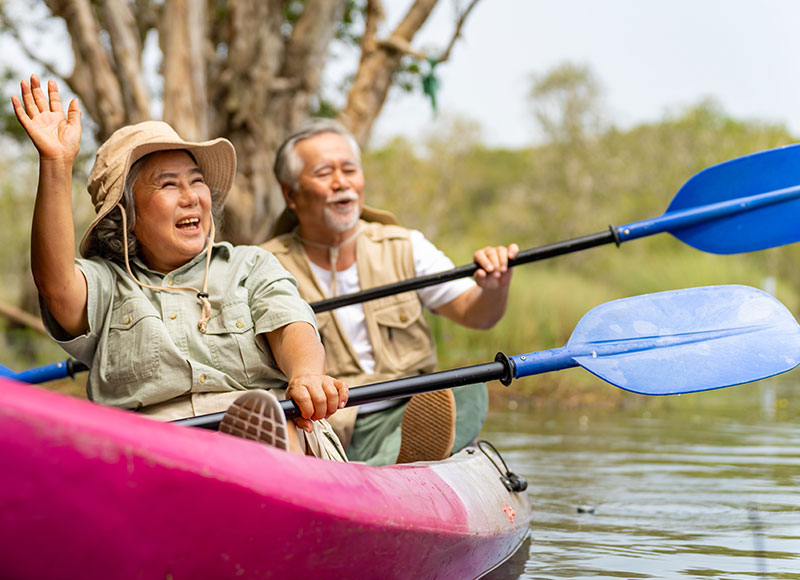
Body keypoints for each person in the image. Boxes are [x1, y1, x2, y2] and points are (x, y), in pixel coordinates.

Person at [12, 75, 348, 459]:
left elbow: (293, 328)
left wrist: (306, 375)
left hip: (264, 426)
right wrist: (56, 163)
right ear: (126, 214)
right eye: (169, 185)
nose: (191, 197)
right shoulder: (107, 284)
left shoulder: (249, 265)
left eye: (197, 181)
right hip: (154, 453)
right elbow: (55, 285)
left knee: (274, 423)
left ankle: (276, 473)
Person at [263, 120, 518, 465]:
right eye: (324, 173)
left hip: (408, 412)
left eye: (350, 170)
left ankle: (380, 468)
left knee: (469, 388)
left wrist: (495, 286)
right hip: (322, 424)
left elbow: (478, 314)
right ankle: (378, 471)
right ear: (290, 194)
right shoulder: (263, 265)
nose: (342, 183)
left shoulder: (405, 246)